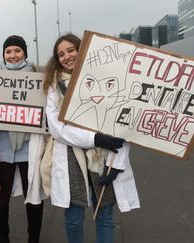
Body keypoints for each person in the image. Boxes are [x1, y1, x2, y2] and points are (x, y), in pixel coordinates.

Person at [43, 33, 140, 243]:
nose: (67, 56)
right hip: (71, 157)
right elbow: (57, 128)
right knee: (74, 218)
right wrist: (95, 139)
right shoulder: (54, 87)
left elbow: (124, 124)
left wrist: (118, 165)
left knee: (104, 214)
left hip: (104, 157)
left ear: (82, 49)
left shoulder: (108, 78)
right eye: (61, 54)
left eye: (71, 50)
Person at [0, 35, 46, 243]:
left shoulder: (38, 78)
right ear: (3, 54)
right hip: (2, 149)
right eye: (8, 51)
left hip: (29, 149)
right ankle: (3, 239)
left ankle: (34, 239)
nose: (13, 55)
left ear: (24, 53)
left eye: (17, 51)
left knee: (34, 199)